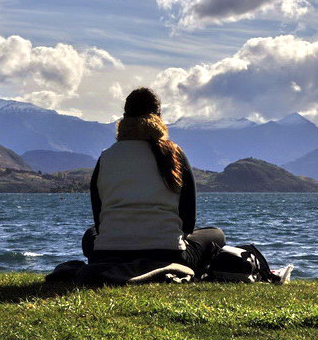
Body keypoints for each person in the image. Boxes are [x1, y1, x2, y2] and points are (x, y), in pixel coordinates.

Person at [82, 87, 225, 274]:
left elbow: (99, 220)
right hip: (167, 254)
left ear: (124, 117)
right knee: (216, 234)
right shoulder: (174, 153)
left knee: (89, 236)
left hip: (108, 253)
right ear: (159, 116)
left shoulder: (106, 157)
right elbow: (188, 221)